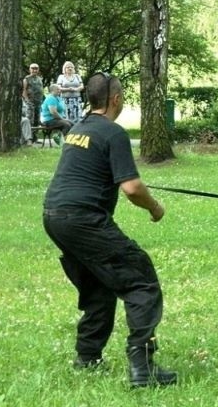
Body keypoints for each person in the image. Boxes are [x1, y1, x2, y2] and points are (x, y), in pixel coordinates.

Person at [42, 72, 177, 388]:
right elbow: (131, 188)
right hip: (83, 218)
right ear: (116, 99)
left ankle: (88, 357)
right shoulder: (113, 133)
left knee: (98, 285)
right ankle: (142, 367)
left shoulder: (79, 129)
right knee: (140, 280)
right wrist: (155, 208)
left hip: (54, 215)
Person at [22, 63, 44, 141]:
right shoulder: (26, 79)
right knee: (30, 119)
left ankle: (34, 137)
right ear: (30, 69)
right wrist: (27, 100)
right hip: (30, 102)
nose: (34, 70)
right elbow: (24, 90)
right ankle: (28, 138)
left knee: (37, 120)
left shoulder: (40, 78)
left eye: (36, 68)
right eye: (33, 68)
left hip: (38, 102)